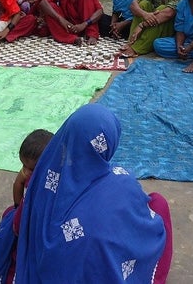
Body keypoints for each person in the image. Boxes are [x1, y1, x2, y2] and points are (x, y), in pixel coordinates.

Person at [13, 104, 173, 282]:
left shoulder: (44, 182)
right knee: (158, 203)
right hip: (99, 266)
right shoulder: (123, 181)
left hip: (57, 269)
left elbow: (20, 225)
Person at [0, 129, 54, 284]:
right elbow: (18, 188)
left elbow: (19, 226)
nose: (26, 172)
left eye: (31, 169)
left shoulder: (47, 185)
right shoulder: (33, 173)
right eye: (24, 166)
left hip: (39, 226)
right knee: (9, 213)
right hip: (26, 216)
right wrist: (18, 206)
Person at [118, 0, 185, 58]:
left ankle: (137, 48)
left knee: (161, 9)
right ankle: (132, 41)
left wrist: (142, 25)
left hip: (171, 27)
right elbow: (133, 4)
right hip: (155, 22)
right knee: (143, 4)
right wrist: (145, 14)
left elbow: (168, 13)